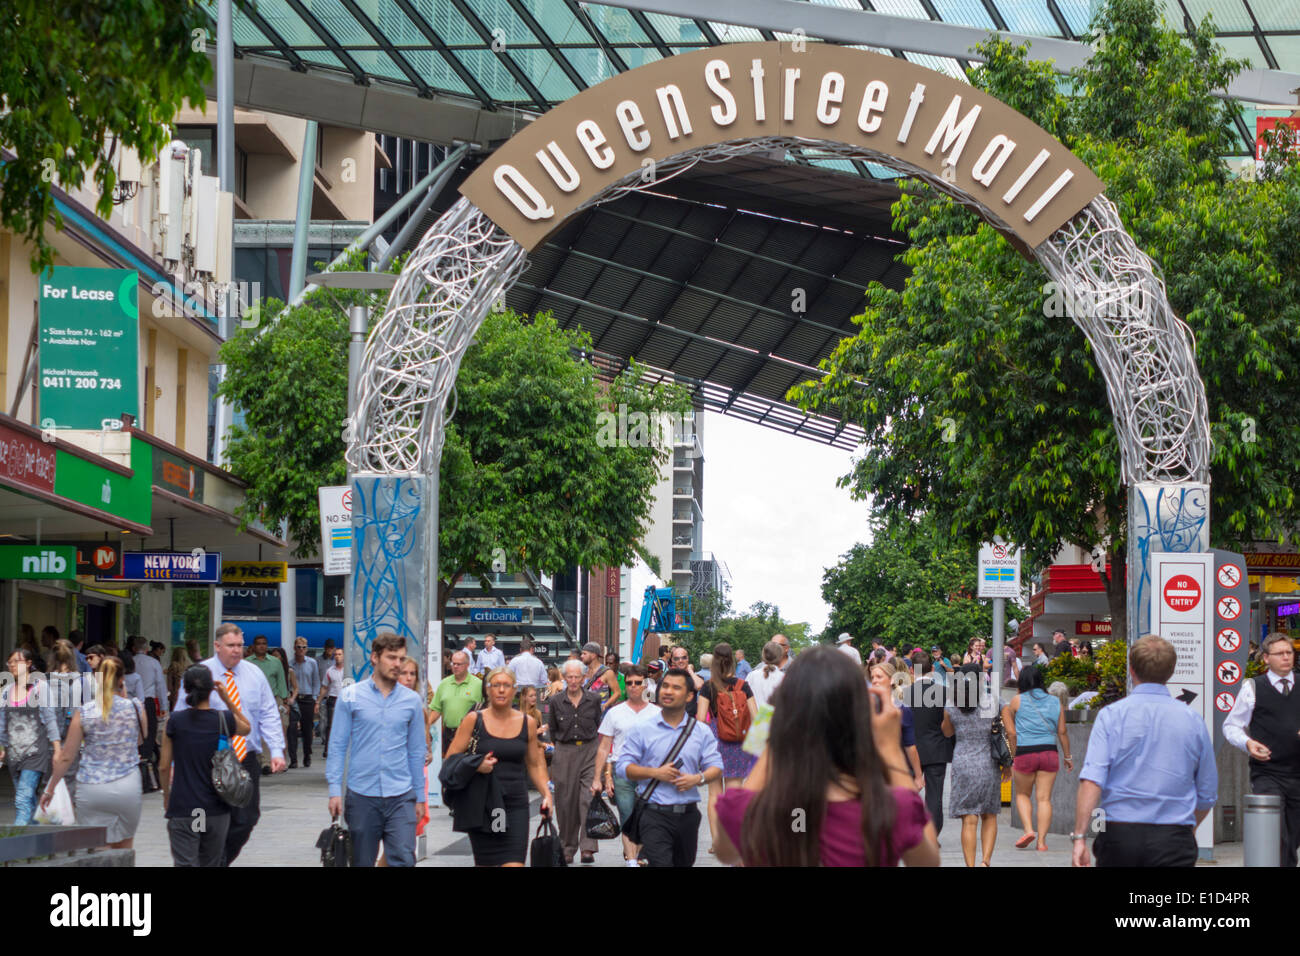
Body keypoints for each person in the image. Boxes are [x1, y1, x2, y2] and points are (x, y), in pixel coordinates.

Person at [712, 647, 939, 867]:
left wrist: (776, 732)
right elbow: (928, 862)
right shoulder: (890, 809)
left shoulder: (752, 811)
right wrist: (891, 750)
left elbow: (726, 851)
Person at [1072, 634, 1217, 868]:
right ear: (1171, 671)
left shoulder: (1111, 716)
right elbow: (1207, 792)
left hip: (1120, 836)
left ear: (1131, 669)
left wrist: (1079, 837)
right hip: (1174, 837)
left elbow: (1092, 780)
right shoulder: (1192, 720)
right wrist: (1187, 829)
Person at [174, 622, 286, 865]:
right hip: (209, 760)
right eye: (231, 646)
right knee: (207, 819)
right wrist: (176, 763)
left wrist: (276, 750)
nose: (236, 650)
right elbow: (181, 715)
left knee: (246, 819)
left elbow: (268, 713)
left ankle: (218, 860)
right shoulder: (200, 673)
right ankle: (210, 859)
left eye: (239, 645)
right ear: (217, 646)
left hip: (244, 758)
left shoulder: (254, 673)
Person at [326, 632, 427, 867]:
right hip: (362, 795)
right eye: (391, 658)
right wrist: (334, 790)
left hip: (401, 794)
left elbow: (416, 751)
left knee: (403, 859)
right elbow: (338, 746)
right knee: (362, 861)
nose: (397, 664)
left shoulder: (411, 701)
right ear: (374, 657)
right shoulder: (350, 697)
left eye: (401, 659)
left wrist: (419, 797)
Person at [616, 667, 724, 867]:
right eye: (665, 686)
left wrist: (697, 779)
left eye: (676, 687)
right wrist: (655, 773)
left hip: (688, 815)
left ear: (690, 696)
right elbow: (623, 767)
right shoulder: (642, 729)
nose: (668, 691)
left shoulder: (700, 732)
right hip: (653, 813)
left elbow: (716, 766)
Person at [447, 667, 553, 866]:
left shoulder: (527, 723)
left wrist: (546, 794)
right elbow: (451, 759)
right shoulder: (474, 720)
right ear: (488, 689)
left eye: (506, 685)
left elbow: (535, 763)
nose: (501, 690)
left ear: (514, 691)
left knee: (514, 862)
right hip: (485, 804)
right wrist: (476, 765)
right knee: (488, 863)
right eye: (496, 685)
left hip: (514, 804)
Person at [41, 657, 144, 848]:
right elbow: (139, 740)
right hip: (127, 786)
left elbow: (67, 756)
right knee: (125, 847)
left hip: (91, 787)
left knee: (97, 848)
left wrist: (50, 788)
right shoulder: (136, 707)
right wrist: (125, 695)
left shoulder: (85, 711)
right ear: (122, 679)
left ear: (98, 679)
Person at [159, 665, 250, 866]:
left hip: (184, 806)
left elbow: (164, 766)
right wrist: (228, 700)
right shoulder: (223, 719)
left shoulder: (174, 721)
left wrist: (167, 795)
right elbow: (246, 727)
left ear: (186, 689)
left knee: (186, 862)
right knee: (212, 861)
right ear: (211, 689)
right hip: (215, 808)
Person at [1223, 630, 1300, 866]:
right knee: (1277, 835)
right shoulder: (1253, 688)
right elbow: (1231, 726)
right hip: (1268, 773)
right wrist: (1248, 743)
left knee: (1293, 837)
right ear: (1266, 658)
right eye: (1279, 654)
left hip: (1298, 773)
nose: (1286, 657)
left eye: (1289, 653)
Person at [591, 664, 659, 866]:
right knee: (627, 816)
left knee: (647, 818)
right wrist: (600, 777)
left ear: (645, 685)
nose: (633, 687)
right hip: (622, 770)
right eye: (629, 683)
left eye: (638, 683)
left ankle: (636, 854)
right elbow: (604, 748)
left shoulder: (656, 713)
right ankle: (631, 860)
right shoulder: (615, 713)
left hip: (648, 772)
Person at [1002, 664, 1072, 851]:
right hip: (1049, 752)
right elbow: (1062, 732)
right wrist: (1068, 756)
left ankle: (1028, 830)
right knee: (1044, 799)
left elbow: (1011, 732)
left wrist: (1013, 754)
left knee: (1023, 795)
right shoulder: (1055, 701)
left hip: (1025, 753)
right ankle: (1041, 842)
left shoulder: (1017, 700)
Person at [942, 665, 1005, 866]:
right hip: (989, 763)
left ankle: (970, 864)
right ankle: (985, 861)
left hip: (963, 763)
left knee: (969, 820)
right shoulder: (993, 701)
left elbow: (947, 733)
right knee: (989, 815)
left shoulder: (952, 703)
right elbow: (1009, 727)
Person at [547, 659, 603, 864]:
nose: (572, 681)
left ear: (583, 678)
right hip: (565, 751)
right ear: (564, 677)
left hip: (589, 749)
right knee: (566, 801)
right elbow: (552, 729)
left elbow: (599, 723)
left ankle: (588, 847)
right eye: (569, 676)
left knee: (588, 798)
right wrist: (561, 747)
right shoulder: (555, 701)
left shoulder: (594, 699)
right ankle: (567, 847)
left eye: (576, 677)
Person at [0, 647, 60, 824]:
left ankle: (17, 844)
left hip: (35, 753)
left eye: (17, 661)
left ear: (28, 663)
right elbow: (2, 722)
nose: (12, 665)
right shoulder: (6, 691)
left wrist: (57, 749)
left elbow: (50, 719)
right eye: (10, 662)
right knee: (28, 800)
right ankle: (40, 838)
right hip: (14, 753)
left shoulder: (40, 688)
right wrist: (1, 747)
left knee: (22, 799)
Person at [906, 651, 954, 843]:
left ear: (911, 670)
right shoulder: (943, 692)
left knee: (909, 794)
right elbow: (948, 722)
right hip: (937, 748)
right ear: (932, 669)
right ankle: (932, 835)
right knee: (935, 795)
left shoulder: (906, 694)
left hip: (912, 750)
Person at [47, 640, 90, 805]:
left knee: (49, 779)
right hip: (70, 733)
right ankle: (67, 818)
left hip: (50, 738)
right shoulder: (80, 681)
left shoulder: (44, 681)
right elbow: (79, 710)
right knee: (70, 778)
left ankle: (49, 814)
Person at [869, 660, 924, 790]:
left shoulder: (903, 709)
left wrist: (918, 776)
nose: (874, 681)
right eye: (872, 677)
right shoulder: (866, 708)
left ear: (892, 680)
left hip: (898, 771)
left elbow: (910, 747)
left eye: (879, 677)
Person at [429, 650, 483, 756]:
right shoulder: (444, 683)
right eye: (453, 663)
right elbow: (436, 709)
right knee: (449, 766)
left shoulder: (478, 684)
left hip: (470, 735)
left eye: (459, 664)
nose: (455, 666)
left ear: (467, 665)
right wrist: (426, 726)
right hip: (448, 734)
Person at [130, 635, 168, 768]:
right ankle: (145, 761)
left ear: (134, 648)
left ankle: (135, 757)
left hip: (131, 702)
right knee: (149, 732)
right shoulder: (153, 663)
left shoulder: (130, 661)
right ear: (146, 649)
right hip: (148, 702)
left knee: (133, 732)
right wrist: (164, 706)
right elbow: (160, 685)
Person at [289, 637, 320, 768]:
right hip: (294, 698)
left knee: (307, 729)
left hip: (307, 698)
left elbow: (316, 681)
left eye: (304, 647)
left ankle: (307, 755)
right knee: (292, 729)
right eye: (299, 647)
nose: (301, 650)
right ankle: (293, 759)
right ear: (294, 648)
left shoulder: (312, 663)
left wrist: (315, 699)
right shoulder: (290, 664)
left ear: (307, 649)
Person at [320, 647, 345, 758]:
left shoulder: (348, 670)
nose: (337, 656)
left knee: (345, 725)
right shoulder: (330, 671)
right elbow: (325, 687)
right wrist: (318, 701)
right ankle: (328, 749)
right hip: (333, 698)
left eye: (340, 654)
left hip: (346, 699)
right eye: (336, 654)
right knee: (330, 725)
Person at [746, 640, 786, 708]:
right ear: (780, 657)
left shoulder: (751, 676)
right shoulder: (784, 678)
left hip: (755, 717)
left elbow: (743, 698)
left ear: (763, 655)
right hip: (776, 717)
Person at [580, 642, 619, 710]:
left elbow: (617, 693)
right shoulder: (582, 671)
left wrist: (605, 705)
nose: (581, 656)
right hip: (584, 713)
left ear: (593, 655)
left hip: (600, 715)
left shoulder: (607, 672)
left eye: (584, 653)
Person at [165, 646, 193, 712]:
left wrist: (169, 695)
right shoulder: (190, 666)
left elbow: (169, 685)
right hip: (188, 695)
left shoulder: (174, 665)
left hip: (176, 695)